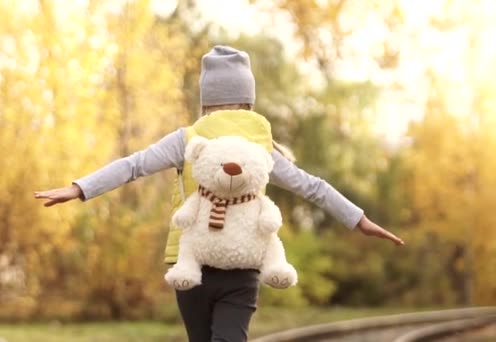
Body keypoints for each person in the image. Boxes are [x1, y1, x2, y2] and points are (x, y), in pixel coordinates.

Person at [34, 45, 404, 342]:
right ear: (249, 101)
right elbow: (314, 187)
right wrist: (360, 219)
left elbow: (133, 166)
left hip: (189, 264)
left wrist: (78, 188)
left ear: (205, 101)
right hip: (242, 266)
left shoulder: (187, 139)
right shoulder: (262, 145)